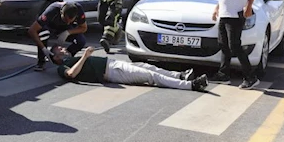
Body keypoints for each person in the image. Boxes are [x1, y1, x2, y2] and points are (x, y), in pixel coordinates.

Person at [53, 45, 208, 92]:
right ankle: (191, 85)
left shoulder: (69, 57)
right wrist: (85, 56)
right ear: (56, 57)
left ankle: (179, 76)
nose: (63, 48)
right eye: (59, 49)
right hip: (112, 72)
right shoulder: (62, 66)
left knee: (149, 66)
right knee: (150, 76)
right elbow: (71, 74)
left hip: (113, 64)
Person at [211, 0, 259, 89]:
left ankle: (251, 77)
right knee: (223, 45)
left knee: (235, 46)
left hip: (235, 15)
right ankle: (223, 74)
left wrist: (249, 6)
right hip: (225, 14)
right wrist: (217, 8)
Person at [28, 1, 88, 71]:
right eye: (65, 19)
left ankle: (67, 59)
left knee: (81, 41)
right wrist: (43, 48)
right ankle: (41, 61)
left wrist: (68, 32)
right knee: (43, 33)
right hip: (51, 26)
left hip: (65, 29)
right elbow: (32, 30)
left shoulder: (78, 10)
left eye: (71, 21)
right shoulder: (51, 11)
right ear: (61, 13)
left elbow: (84, 28)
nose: (68, 22)